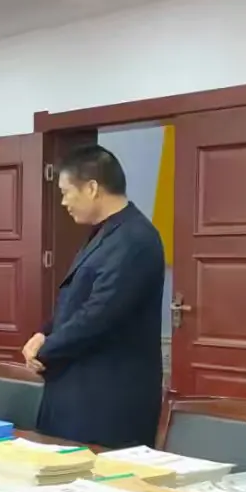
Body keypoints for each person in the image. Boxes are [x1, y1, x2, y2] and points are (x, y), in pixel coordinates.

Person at [24, 144, 166, 449]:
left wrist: (46, 349)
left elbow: (100, 313)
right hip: (78, 390)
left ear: (91, 188)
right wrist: (43, 332)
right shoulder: (106, 233)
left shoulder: (135, 239)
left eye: (66, 192)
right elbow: (76, 299)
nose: (64, 202)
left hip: (108, 399)